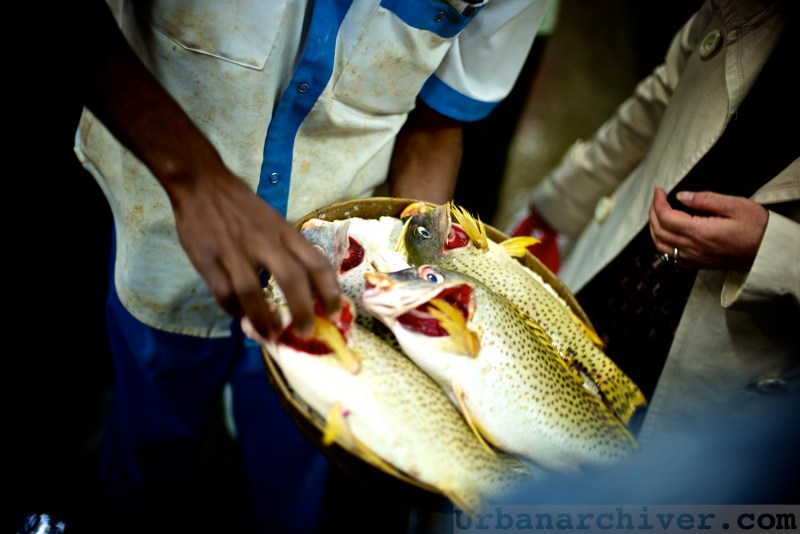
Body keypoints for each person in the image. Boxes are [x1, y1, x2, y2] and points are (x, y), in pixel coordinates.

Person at [74, 0, 550, 532]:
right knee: (149, 434)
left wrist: (424, 274)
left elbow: (439, 122)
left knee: (297, 455)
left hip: (338, 269)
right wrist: (191, 175)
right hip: (163, 216)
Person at [509, 0, 798, 449]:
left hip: (717, 369)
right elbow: (655, 104)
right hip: (613, 273)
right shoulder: (746, 9)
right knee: (519, 414)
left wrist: (770, 250)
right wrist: (556, 209)